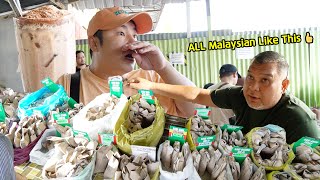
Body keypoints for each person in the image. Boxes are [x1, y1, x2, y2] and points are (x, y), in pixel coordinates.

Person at [129, 51, 320, 143]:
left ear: (284, 85)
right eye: (250, 77)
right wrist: (151, 86)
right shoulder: (240, 96)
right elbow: (196, 94)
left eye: (265, 81)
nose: (253, 88)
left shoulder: (300, 120)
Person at [57, 7, 197, 117]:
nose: (133, 42)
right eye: (121, 33)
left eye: (135, 35)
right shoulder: (68, 85)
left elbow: (195, 110)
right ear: (94, 44)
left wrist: (163, 67)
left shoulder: (151, 78)